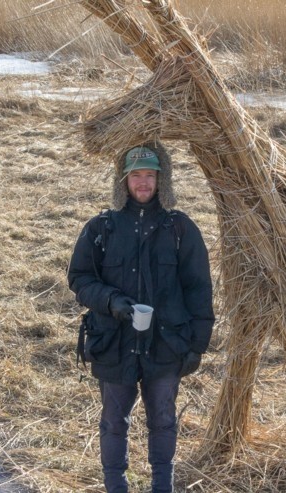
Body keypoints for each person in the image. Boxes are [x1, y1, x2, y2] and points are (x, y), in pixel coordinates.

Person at [68, 142, 215, 493]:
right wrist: (111, 301)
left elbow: (199, 290)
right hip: (114, 343)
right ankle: (115, 487)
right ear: (124, 180)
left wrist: (197, 346)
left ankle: (162, 486)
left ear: (161, 180)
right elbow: (79, 279)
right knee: (113, 422)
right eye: (136, 175)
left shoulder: (180, 229)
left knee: (163, 421)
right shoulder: (101, 228)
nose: (144, 183)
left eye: (150, 175)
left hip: (166, 344)